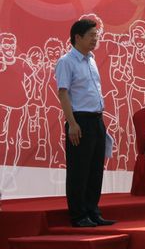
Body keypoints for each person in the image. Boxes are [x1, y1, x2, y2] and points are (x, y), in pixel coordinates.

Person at [55, 19, 116, 227]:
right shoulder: (66, 61)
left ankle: (92, 211)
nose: (95, 39)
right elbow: (63, 93)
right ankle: (78, 215)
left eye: (96, 35)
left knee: (95, 169)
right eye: (91, 35)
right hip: (79, 121)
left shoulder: (91, 60)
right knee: (79, 170)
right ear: (77, 37)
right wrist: (72, 123)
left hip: (96, 119)